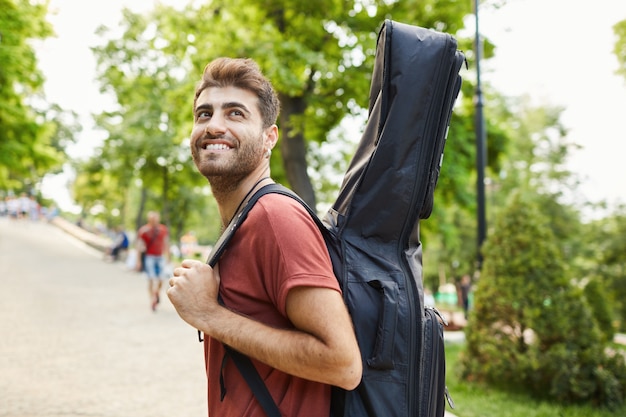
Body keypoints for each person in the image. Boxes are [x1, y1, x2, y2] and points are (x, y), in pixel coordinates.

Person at [166, 57, 362, 416]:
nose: (214, 126)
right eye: (204, 114)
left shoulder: (275, 218)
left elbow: (343, 364)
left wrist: (208, 314)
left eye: (235, 114)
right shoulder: (243, 221)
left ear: (269, 137)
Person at [137, 211, 170, 311]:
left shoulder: (163, 229)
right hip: (149, 257)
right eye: (153, 218)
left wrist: (168, 256)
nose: (155, 220)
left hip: (160, 257)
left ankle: (156, 293)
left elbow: (166, 242)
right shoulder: (144, 230)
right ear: (149, 219)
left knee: (161, 279)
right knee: (151, 279)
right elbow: (139, 246)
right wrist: (138, 261)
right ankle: (152, 300)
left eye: (156, 218)